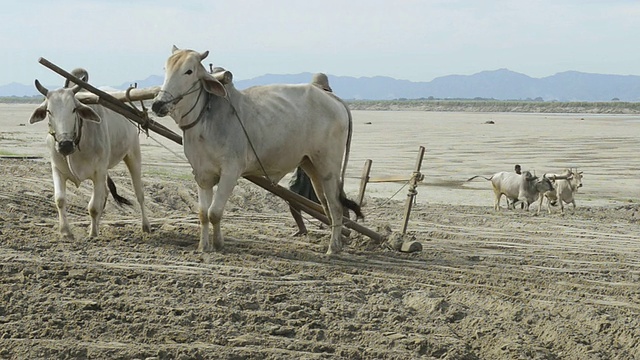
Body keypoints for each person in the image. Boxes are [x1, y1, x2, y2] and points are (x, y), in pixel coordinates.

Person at [288, 166, 320, 236]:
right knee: (292, 196)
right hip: (302, 168)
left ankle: (342, 225)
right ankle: (301, 228)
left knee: (325, 199)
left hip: (317, 168)